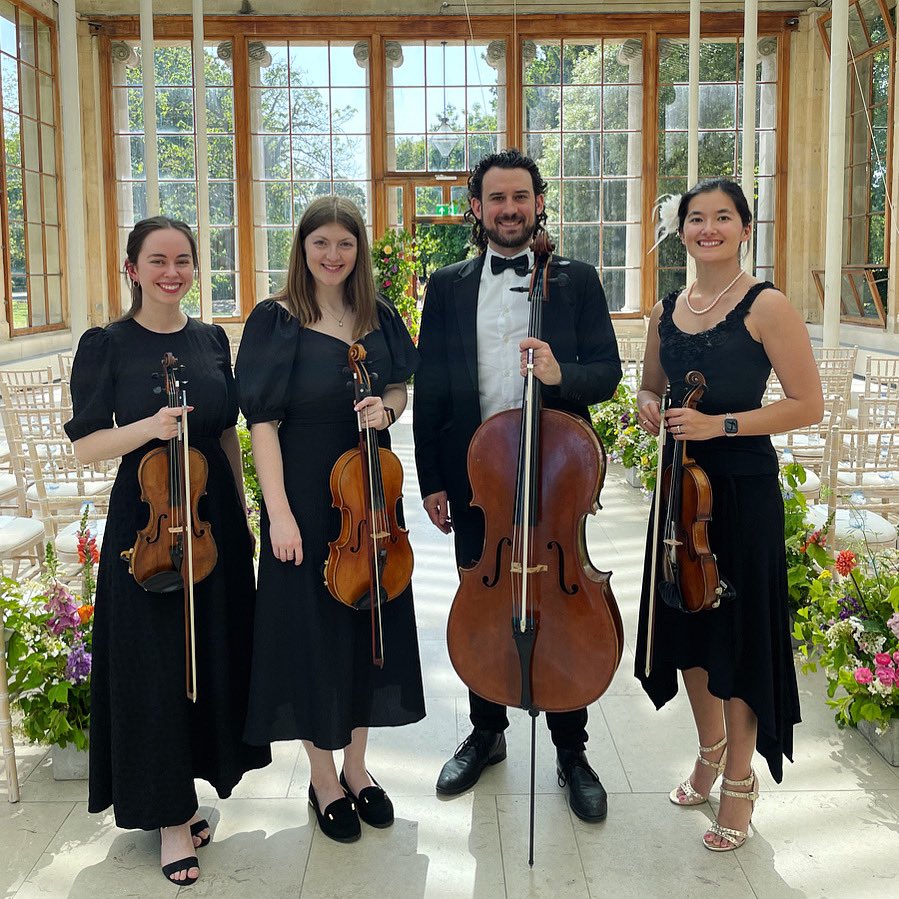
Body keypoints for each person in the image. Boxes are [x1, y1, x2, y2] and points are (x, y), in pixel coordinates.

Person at [413, 149, 622, 822]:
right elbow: (432, 388)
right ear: (475, 208)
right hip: (479, 482)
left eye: (520, 197)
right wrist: (432, 481)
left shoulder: (577, 280)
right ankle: (486, 732)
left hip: (556, 480)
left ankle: (570, 747)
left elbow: (607, 374)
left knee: (562, 605)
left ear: (538, 203)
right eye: (496, 198)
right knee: (483, 603)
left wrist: (561, 373)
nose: (509, 209)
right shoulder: (446, 285)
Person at [65, 216, 271, 886]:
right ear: (132, 268)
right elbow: (88, 443)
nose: (171, 272)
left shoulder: (211, 339)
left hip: (212, 512)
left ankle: (190, 782)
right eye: (157, 260)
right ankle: (170, 817)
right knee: (154, 662)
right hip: (147, 519)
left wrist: (242, 509)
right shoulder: (108, 344)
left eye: (182, 260)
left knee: (208, 650)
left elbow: (228, 433)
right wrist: (149, 428)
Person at [634, 178, 824, 851]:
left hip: (740, 490)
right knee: (687, 626)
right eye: (694, 218)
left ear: (745, 227)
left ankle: (739, 780)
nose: (706, 228)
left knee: (738, 638)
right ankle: (708, 747)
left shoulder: (765, 304)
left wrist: (722, 426)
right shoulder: (665, 308)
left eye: (721, 217)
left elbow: (806, 403)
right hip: (678, 490)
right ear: (680, 230)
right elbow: (650, 385)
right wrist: (647, 405)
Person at [235, 195, 425, 844]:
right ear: (302, 246)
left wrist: (388, 411)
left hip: (368, 499)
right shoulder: (276, 319)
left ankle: (358, 767)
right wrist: (279, 515)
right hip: (307, 501)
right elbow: (261, 422)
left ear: (359, 249)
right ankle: (322, 776)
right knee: (312, 632)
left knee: (365, 623)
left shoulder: (377, 315)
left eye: (345, 243)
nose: (333, 254)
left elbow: (401, 385)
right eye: (321, 242)